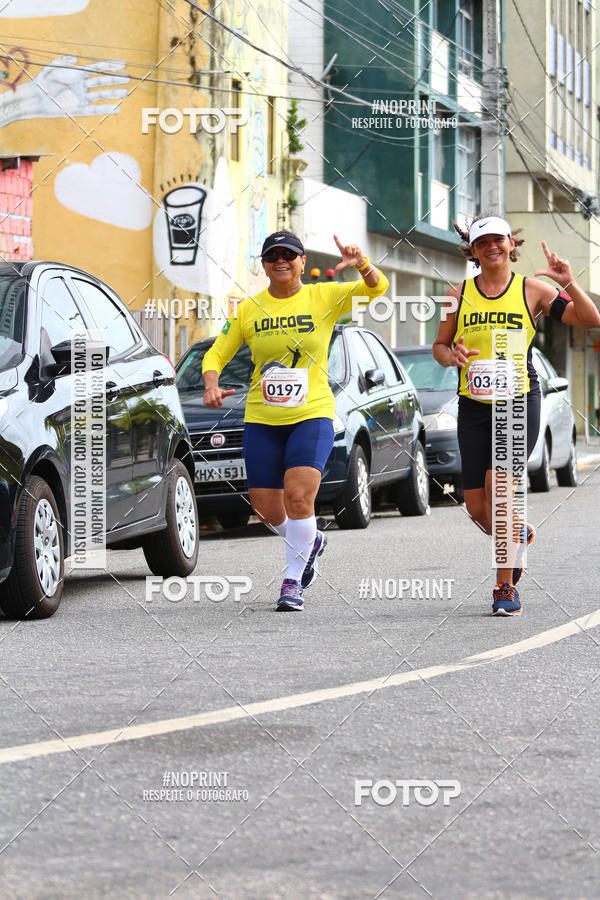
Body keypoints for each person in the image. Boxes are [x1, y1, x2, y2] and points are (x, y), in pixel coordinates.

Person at [202, 230, 389, 610]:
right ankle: (311, 541)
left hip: (312, 412)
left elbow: (377, 289)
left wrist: (363, 264)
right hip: (262, 418)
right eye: (272, 255)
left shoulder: (325, 296)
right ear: (264, 265)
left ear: (303, 261)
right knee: (267, 510)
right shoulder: (249, 309)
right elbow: (216, 354)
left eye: (289, 254)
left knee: (300, 495)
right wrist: (210, 385)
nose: (281, 260)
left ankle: (292, 581)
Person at [433, 214, 600, 616]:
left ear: (511, 244)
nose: (491, 246)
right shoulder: (456, 294)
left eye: (498, 239)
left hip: (518, 400)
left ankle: (504, 587)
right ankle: (517, 536)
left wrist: (568, 281)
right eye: (482, 241)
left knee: (501, 490)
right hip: (473, 406)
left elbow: (591, 320)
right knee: (476, 506)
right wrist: (451, 355)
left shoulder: (534, 290)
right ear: (472, 250)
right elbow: (439, 345)